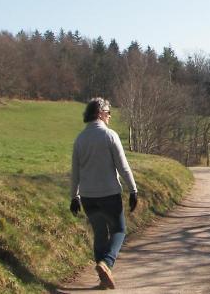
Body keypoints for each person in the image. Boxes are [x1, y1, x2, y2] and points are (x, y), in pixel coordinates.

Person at [69, 97, 139, 290]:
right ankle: (106, 263)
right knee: (119, 231)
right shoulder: (109, 136)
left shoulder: (80, 139)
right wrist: (133, 190)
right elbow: (123, 167)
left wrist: (74, 196)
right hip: (109, 195)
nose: (110, 116)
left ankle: (103, 277)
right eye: (108, 113)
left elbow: (75, 172)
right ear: (100, 113)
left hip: (89, 198)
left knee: (100, 234)